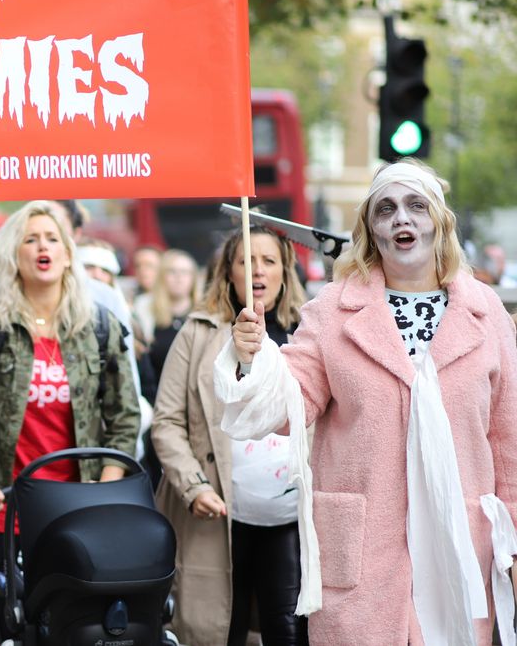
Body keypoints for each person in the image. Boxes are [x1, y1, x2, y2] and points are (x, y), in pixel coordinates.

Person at [223, 160, 517, 644]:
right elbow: (286, 406)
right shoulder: (332, 313)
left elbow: (507, 440)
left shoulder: (487, 317)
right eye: (386, 209)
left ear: (439, 221)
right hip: (364, 560)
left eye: (416, 206)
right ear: (371, 229)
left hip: (459, 550)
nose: (402, 218)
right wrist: (254, 360)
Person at [0, 200, 141, 577]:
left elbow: (125, 414)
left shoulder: (99, 325)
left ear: (67, 254)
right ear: (13, 255)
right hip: (2, 507)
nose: (43, 247)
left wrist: (105, 486)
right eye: (31, 240)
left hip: (80, 507)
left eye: (52, 238)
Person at [150, 227, 308, 646]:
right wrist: (193, 486)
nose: (258, 270)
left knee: (288, 628)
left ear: (285, 272)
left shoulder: (310, 332)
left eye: (269, 261)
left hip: (289, 519)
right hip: (216, 516)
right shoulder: (197, 333)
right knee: (219, 629)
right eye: (246, 261)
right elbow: (166, 421)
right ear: (228, 273)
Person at [138, 249, 200, 394]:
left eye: (185, 272)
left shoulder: (205, 316)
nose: (179, 277)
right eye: (172, 272)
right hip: (157, 397)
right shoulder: (145, 314)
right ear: (162, 277)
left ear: (193, 278)